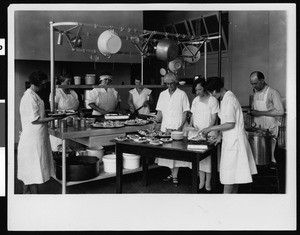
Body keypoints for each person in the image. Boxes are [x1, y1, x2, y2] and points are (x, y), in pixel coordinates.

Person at [200, 76, 257, 194]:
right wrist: (220, 136)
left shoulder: (229, 99)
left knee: (229, 177)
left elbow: (230, 124)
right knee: (233, 176)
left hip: (234, 142)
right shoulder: (225, 98)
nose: (211, 95)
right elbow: (227, 121)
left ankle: (226, 204)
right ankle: (231, 202)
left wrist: (210, 128)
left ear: (215, 90)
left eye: (211, 92)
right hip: (231, 141)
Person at [17, 71, 57, 194]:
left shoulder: (34, 95)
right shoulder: (29, 97)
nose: (45, 86)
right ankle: (32, 196)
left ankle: (28, 195)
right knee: (32, 171)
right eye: (43, 84)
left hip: (37, 137)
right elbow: (35, 120)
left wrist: (49, 115)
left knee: (33, 170)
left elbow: (38, 114)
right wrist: (54, 118)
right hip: (32, 140)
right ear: (36, 83)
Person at [154, 72, 190, 187]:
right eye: (167, 84)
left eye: (171, 83)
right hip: (166, 127)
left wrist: (180, 127)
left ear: (176, 83)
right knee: (168, 152)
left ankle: (175, 176)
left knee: (177, 152)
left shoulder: (182, 94)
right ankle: (172, 173)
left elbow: (185, 111)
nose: (169, 86)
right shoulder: (162, 94)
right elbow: (159, 112)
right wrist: (155, 122)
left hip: (178, 127)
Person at [186, 77, 219, 192]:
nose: (198, 92)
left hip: (209, 132)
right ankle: (201, 181)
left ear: (205, 88)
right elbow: (193, 116)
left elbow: (214, 118)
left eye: (200, 89)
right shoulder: (195, 100)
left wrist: (208, 130)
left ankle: (208, 183)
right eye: (196, 90)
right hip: (196, 133)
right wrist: (191, 125)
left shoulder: (212, 100)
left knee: (208, 159)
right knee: (199, 158)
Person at [249, 71, 284, 163]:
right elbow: (254, 109)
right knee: (258, 156)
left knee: (269, 157)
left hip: (270, 128)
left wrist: (259, 113)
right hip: (259, 129)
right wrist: (252, 112)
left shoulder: (273, 92)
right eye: (252, 84)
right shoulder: (256, 93)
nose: (253, 86)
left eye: (255, 83)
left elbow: (280, 111)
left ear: (262, 80)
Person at [49, 74, 80, 151]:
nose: (70, 83)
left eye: (71, 81)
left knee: (73, 146)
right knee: (60, 147)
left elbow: (78, 107)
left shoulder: (73, 92)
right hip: (61, 122)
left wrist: (80, 113)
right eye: (68, 82)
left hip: (74, 122)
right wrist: (65, 116)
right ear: (61, 82)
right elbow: (53, 109)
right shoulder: (56, 92)